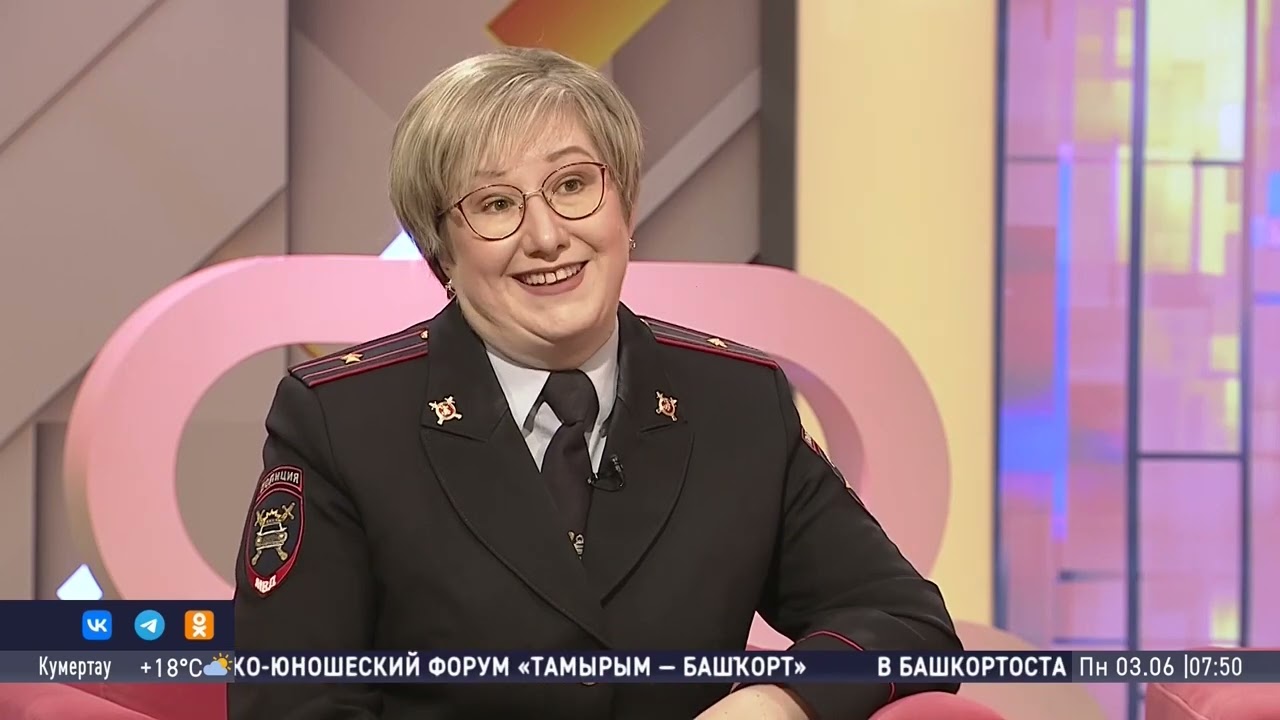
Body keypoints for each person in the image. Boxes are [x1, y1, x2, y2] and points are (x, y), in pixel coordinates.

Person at [228, 47, 962, 720]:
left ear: (626, 208)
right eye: (495, 204)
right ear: (440, 250)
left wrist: (783, 700)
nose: (547, 236)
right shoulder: (342, 420)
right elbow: (291, 703)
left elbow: (904, 622)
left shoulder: (737, 401)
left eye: (574, 185)